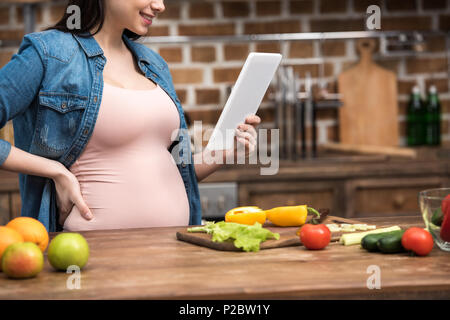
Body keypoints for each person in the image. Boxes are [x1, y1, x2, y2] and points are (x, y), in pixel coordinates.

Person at [0, 0, 260, 232]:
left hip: (175, 251)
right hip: (92, 257)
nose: (160, 6)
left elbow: (171, 169)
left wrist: (226, 153)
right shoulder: (50, 53)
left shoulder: (152, 64)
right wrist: (56, 171)